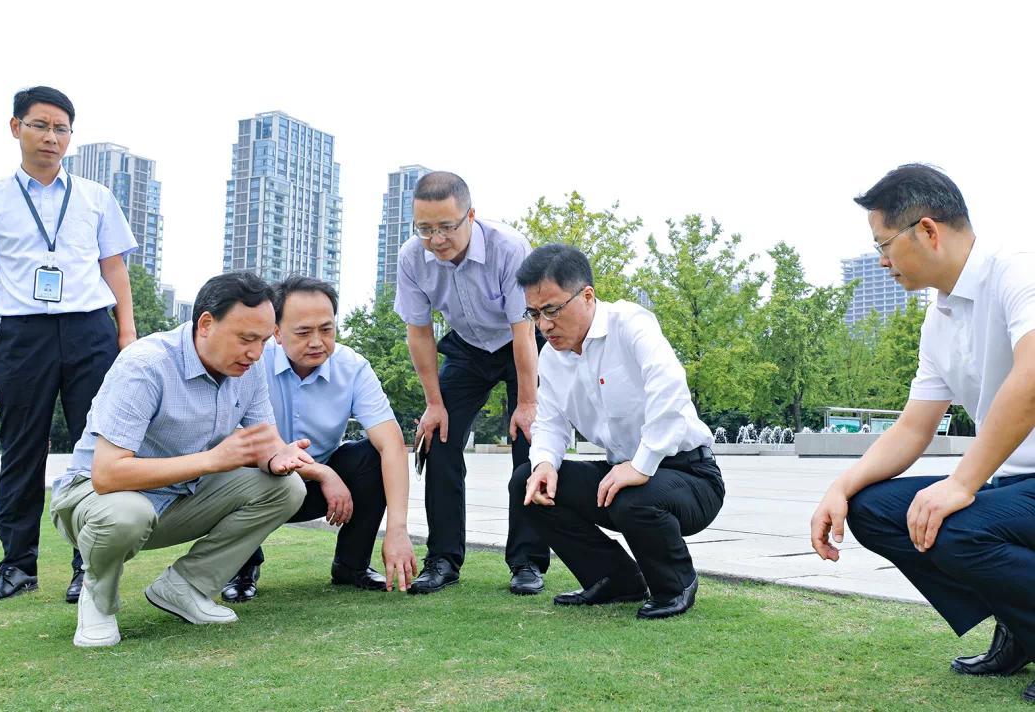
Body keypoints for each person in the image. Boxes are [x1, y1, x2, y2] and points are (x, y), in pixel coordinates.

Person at [810, 164, 1035, 704]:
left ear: (928, 231)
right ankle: (1020, 623)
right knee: (873, 508)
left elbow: (1031, 379)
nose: (881, 260)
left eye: (883, 244)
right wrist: (841, 487)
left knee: (955, 527)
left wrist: (962, 482)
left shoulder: (1018, 271)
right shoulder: (940, 316)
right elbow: (914, 426)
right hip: (1013, 485)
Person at [48, 272, 309, 647]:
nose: (256, 352)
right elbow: (106, 474)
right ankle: (99, 600)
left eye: (264, 340)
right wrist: (212, 460)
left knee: (287, 488)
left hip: (179, 497)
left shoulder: (249, 369)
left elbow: (264, 440)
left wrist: (279, 458)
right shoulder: (145, 364)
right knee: (127, 513)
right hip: (94, 500)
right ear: (206, 324)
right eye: (246, 338)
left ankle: (185, 587)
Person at [0, 86, 138, 606]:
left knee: (98, 449)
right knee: (20, 451)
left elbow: (114, 268)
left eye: (61, 129)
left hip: (89, 331)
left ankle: (90, 565)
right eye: (40, 125)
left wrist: (126, 332)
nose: (51, 137)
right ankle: (16, 567)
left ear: (70, 137)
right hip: (23, 333)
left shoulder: (96, 197)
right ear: (16, 128)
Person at [510, 244, 724, 619]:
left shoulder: (630, 322)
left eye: (552, 310)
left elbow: (669, 387)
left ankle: (676, 582)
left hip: (691, 475)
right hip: (622, 473)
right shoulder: (552, 358)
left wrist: (641, 465)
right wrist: (544, 463)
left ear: (587, 295)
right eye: (534, 313)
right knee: (527, 483)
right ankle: (615, 579)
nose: (543, 325)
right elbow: (550, 423)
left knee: (633, 497)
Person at [394, 171, 549, 595]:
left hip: (521, 345)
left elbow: (523, 331)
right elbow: (419, 333)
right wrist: (433, 403)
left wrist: (528, 403)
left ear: (470, 216)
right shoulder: (411, 258)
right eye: (425, 228)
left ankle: (527, 562)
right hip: (467, 347)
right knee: (438, 439)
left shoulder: (509, 248)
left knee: (530, 442)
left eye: (447, 227)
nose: (436, 239)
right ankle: (443, 558)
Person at [220, 276, 417, 601]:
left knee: (370, 455)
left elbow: (392, 444)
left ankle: (351, 566)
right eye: (303, 332)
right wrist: (320, 472)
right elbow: (234, 441)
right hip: (258, 482)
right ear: (277, 333)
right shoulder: (251, 363)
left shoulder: (352, 368)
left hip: (319, 492)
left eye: (326, 330)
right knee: (232, 466)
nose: (317, 341)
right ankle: (242, 567)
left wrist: (397, 528)